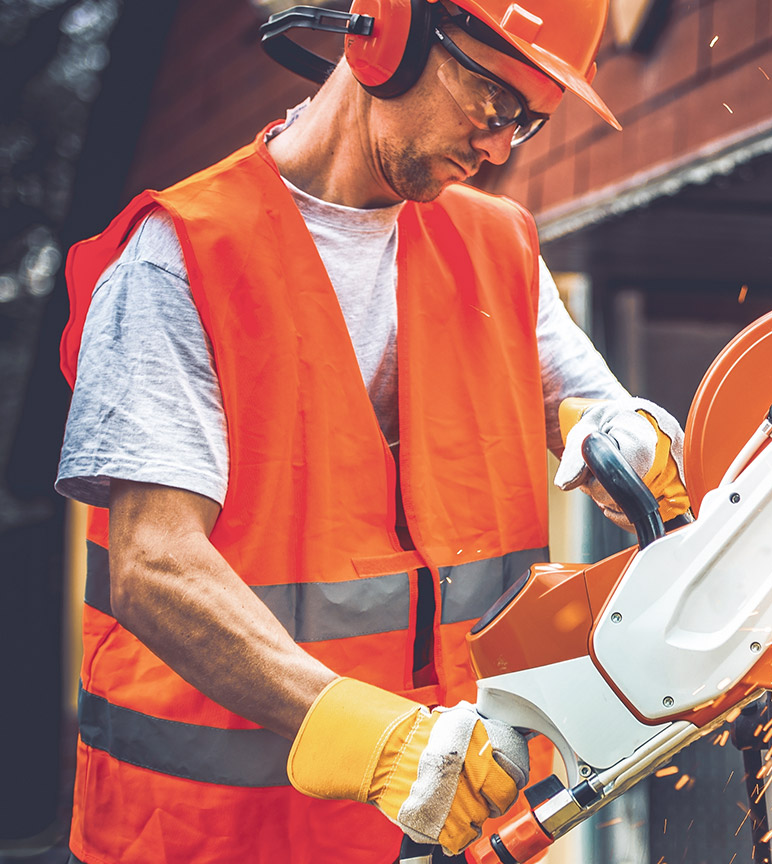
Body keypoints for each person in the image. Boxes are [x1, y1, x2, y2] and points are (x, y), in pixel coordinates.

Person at [53, 1, 688, 861]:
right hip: (217, 838)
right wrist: (372, 740)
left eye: (530, 124)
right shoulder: (181, 256)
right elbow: (152, 562)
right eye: (495, 105)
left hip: (452, 829)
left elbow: (587, 407)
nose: (501, 148)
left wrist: (633, 437)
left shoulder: (497, 246)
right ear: (387, 34)